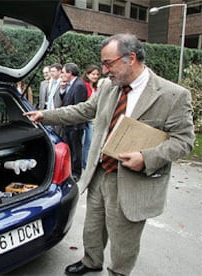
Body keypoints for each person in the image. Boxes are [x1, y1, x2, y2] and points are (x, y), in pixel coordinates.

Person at [24, 33, 194, 276]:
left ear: (130, 58)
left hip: (134, 180)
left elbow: (184, 141)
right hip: (100, 172)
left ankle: (118, 272)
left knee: (124, 239)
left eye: (108, 63)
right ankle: (92, 261)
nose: (104, 71)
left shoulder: (172, 95)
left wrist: (146, 158)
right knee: (93, 227)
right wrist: (46, 116)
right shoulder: (107, 87)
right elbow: (84, 110)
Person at [60, 63, 88, 180]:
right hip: (68, 124)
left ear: (70, 73)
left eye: (63, 72)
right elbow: (66, 101)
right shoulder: (71, 85)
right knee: (69, 149)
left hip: (75, 126)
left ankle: (76, 173)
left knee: (76, 150)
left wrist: (77, 126)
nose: (62, 75)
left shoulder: (79, 86)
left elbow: (79, 107)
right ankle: (70, 171)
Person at [81, 64, 101, 169]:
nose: (95, 76)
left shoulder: (97, 87)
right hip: (86, 119)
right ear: (87, 74)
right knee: (86, 143)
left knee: (90, 142)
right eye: (93, 74)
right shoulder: (84, 86)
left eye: (97, 74)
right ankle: (85, 164)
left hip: (94, 119)